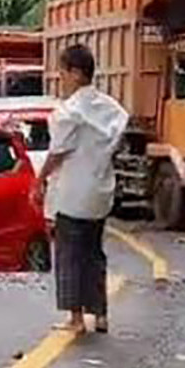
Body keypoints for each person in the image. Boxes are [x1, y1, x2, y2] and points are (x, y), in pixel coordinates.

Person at [33, 44, 129, 334]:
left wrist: (40, 179)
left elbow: (58, 151)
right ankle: (100, 315)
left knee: (69, 255)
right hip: (100, 190)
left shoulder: (69, 112)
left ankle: (75, 319)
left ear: (75, 73)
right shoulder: (111, 108)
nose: (60, 77)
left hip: (73, 192)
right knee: (93, 254)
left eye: (63, 71)